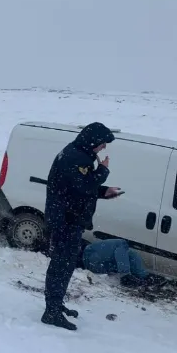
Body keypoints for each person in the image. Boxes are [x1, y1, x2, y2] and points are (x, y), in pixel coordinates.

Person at [41, 122, 122, 331]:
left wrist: (104, 192)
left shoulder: (78, 154)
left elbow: (79, 187)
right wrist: (103, 171)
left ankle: (55, 305)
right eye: (103, 143)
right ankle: (51, 312)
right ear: (93, 141)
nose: (103, 148)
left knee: (64, 265)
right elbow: (83, 186)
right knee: (62, 265)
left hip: (68, 218)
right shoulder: (76, 158)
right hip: (66, 221)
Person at [79, 238, 150, 287]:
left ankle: (143, 277)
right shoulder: (122, 245)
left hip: (88, 258)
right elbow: (121, 254)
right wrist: (125, 274)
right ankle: (143, 277)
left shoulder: (119, 244)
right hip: (90, 260)